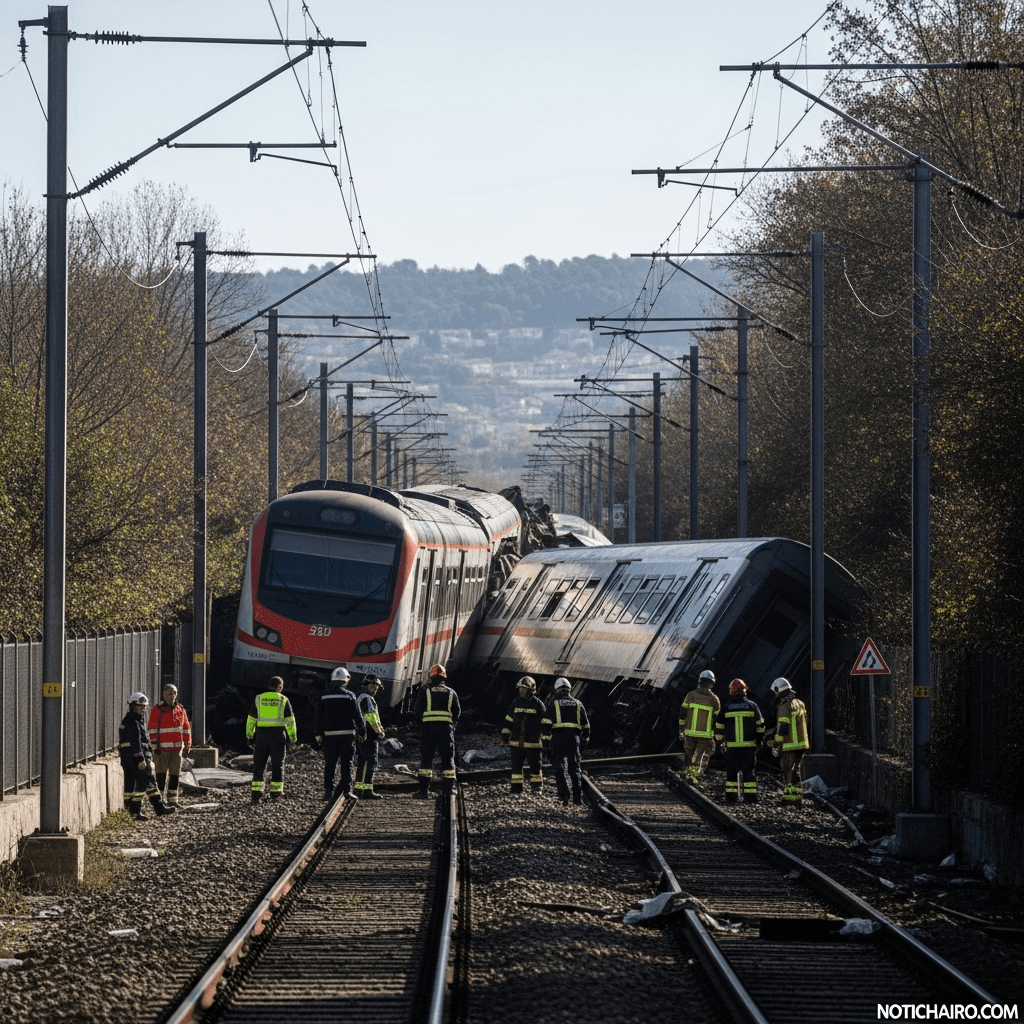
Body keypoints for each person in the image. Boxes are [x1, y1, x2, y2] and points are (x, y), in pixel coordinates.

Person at [119, 692, 175, 821]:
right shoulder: (133, 722)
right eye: (139, 706)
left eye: (144, 707)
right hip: (136, 759)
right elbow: (136, 743)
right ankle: (135, 810)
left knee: (148, 782)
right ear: (133, 706)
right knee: (142, 784)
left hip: (130, 758)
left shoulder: (132, 721)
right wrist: (140, 759)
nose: (142, 709)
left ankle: (158, 807)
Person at [313, 667, 366, 801]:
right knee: (346, 763)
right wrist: (362, 731)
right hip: (347, 735)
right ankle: (346, 791)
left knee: (330, 764)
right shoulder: (350, 695)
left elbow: (318, 717)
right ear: (345, 681)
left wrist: (318, 734)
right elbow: (357, 715)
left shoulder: (323, 696)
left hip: (329, 735)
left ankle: (328, 793)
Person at [246, 676, 297, 805]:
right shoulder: (283, 699)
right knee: (277, 764)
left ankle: (256, 794)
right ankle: (276, 792)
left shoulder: (259, 698)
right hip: (277, 735)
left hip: (262, 735)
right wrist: (293, 738)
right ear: (279, 687)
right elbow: (290, 721)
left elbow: (251, 718)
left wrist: (250, 736)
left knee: (259, 764)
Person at [412, 663, 460, 798]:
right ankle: (450, 790)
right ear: (444, 677)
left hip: (429, 729)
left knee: (426, 759)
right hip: (446, 730)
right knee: (448, 758)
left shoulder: (424, 690)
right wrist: (452, 726)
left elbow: (417, 711)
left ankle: (423, 791)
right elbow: (457, 712)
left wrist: (423, 724)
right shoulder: (451, 692)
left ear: (431, 676)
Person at [542, 677, 590, 807]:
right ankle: (577, 799)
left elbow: (546, 725)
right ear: (569, 689)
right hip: (573, 739)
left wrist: (545, 745)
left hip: (558, 739)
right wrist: (585, 740)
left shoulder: (553, 703)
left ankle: (564, 796)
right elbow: (586, 726)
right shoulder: (578, 704)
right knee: (575, 769)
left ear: (557, 689)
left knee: (559, 768)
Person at [715, 679, 764, 804]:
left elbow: (719, 727)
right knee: (749, 773)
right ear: (745, 690)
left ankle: (731, 798)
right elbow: (760, 726)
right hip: (749, 747)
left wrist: (720, 742)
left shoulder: (726, 707)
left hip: (732, 748)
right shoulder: (752, 706)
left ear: (731, 691)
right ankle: (750, 798)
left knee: (731, 774)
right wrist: (759, 741)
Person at [147, 683, 192, 807]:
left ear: (176, 695)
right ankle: (160, 800)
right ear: (164, 695)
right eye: (168, 693)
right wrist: (155, 747)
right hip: (162, 750)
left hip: (176, 750)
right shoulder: (157, 710)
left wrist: (187, 746)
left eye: (173, 693)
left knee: (174, 775)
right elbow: (152, 729)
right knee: (161, 775)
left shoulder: (181, 710)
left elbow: (186, 728)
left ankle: (173, 800)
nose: (171, 695)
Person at [499, 676, 546, 794]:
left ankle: (537, 787)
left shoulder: (538, 704)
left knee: (535, 766)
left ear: (530, 690)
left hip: (533, 744)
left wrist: (546, 740)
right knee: (516, 768)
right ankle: (516, 788)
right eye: (520, 688)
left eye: (523, 688)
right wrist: (505, 735)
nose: (521, 691)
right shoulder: (516, 702)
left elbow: (545, 723)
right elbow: (509, 720)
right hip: (516, 743)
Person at [769, 677, 809, 807]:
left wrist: (776, 742)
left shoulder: (784, 706)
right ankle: (797, 798)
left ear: (778, 690)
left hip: (790, 744)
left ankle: (789, 798)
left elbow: (784, 728)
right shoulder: (799, 703)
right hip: (802, 744)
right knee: (796, 771)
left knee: (788, 771)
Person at [679, 669, 721, 785]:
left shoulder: (690, 695)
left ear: (700, 681)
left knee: (688, 755)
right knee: (699, 757)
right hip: (704, 734)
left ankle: (688, 775)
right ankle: (693, 778)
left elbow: (683, 713)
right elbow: (717, 719)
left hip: (689, 732)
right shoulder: (714, 700)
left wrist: (681, 729)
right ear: (711, 683)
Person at [354, 674, 386, 800]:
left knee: (362, 761)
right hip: (369, 734)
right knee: (371, 761)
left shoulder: (360, 697)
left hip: (361, 733)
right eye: (373, 684)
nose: (376, 687)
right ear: (366, 684)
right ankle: (368, 791)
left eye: (377, 685)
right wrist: (379, 731)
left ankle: (358, 789)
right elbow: (371, 717)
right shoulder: (367, 698)